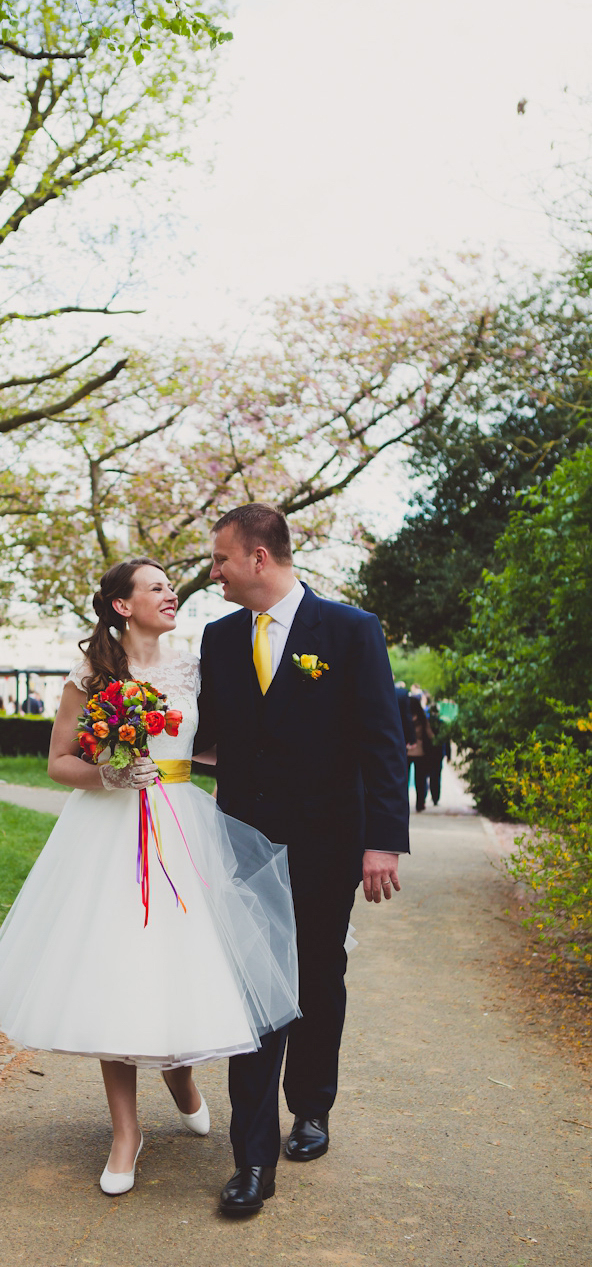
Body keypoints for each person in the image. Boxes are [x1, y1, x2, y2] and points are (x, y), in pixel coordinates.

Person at [0, 558, 300, 1199]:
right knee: (113, 972)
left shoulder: (195, 669)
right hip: (108, 833)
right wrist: (110, 775)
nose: (171, 593)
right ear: (124, 606)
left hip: (183, 829)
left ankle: (180, 1077)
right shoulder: (92, 675)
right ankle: (127, 1133)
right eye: (156, 587)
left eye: (170, 586)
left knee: (185, 966)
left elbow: (218, 744)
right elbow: (58, 763)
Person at [196, 503, 410, 1216]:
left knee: (317, 974)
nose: (214, 572)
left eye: (221, 559)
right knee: (255, 988)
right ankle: (252, 1161)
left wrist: (383, 841)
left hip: (328, 841)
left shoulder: (350, 631)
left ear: (260, 558)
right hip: (245, 842)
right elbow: (204, 732)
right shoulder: (219, 638)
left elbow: (383, 744)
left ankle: (312, 1107)